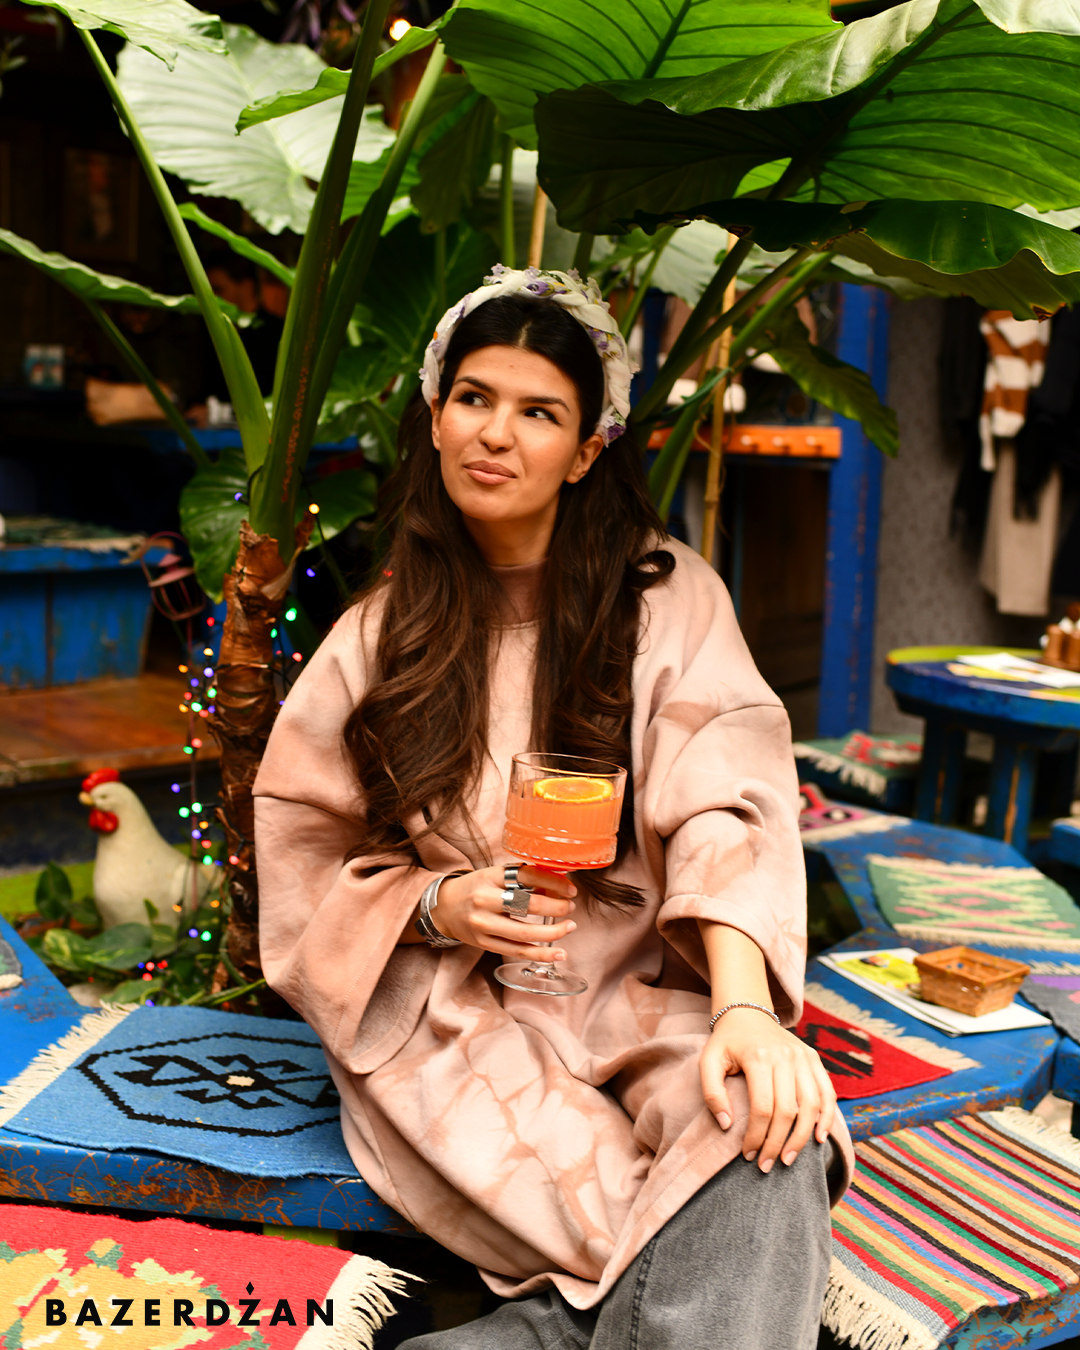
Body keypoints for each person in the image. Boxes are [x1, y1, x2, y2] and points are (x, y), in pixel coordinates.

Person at [254, 266, 853, 1350]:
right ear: (436, 417)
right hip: (450, 1023)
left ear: (585, 451)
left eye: (539, 413)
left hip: (640, 996)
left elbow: (727, 803)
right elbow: (303, 853)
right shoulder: (377, 639)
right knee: (690, 1239)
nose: (496, 434)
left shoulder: (669, 601)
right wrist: (435, 905)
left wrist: (743, 1012)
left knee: (771, 1134)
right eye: (475, 399)